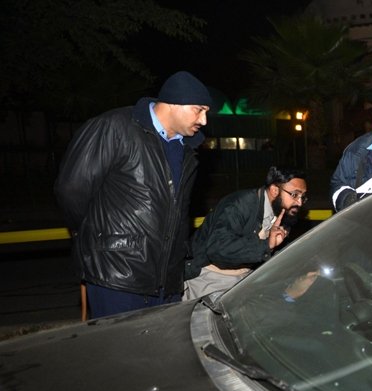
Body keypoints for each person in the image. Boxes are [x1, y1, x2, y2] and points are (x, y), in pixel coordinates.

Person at [55, 70, 213, 319]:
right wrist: (92, 235)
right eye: (198, 109)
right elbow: (72, 189)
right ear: (173, 103)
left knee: (154, 356)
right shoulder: (114, 127)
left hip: (166, 280)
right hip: (117, 277)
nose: (204, 120)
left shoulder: (188, 149)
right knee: (117, 354)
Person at [183, 167, 307, 300]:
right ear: (274, 190)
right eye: (295, 194)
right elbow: (217, 249)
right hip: (210, 276)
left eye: (303, 197)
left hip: (244, 277)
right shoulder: (238, 205)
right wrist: (266, 245)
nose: (299, 202)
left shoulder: (284, 213)